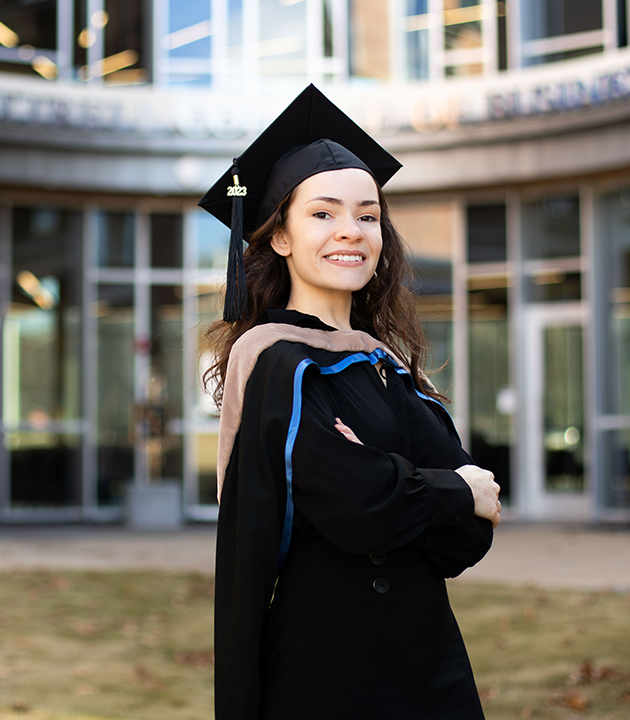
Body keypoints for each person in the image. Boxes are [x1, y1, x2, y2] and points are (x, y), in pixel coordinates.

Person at [198, 85, 502, 720]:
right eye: (323, 214)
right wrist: (453, 489)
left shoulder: (388, 367)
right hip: (329, 670)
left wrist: (411, 489)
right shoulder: (276, 360)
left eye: (368, 216)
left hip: (431, 661)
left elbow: (466, 542)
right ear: (278, 236)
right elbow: (364, 506)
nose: (351, 232)